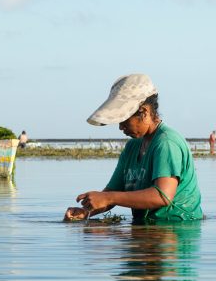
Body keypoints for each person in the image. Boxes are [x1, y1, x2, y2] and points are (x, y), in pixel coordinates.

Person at [64, 74, 203, 223]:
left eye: (124, 120)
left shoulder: (166, 143)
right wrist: (86, 211)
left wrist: (107, 197)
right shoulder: (132, 146)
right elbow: (113, 191)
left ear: (144, 112)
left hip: (177, 228)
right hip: (146, 229)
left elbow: (162, 196)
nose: (120, 127)